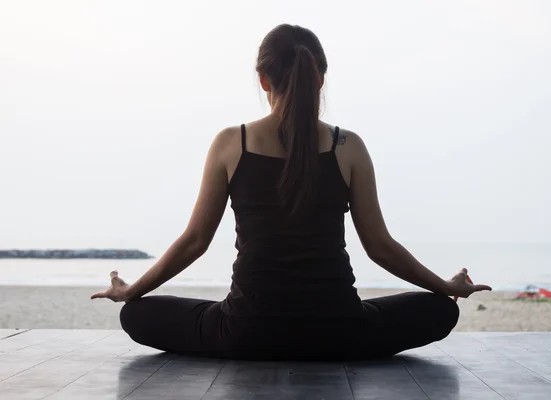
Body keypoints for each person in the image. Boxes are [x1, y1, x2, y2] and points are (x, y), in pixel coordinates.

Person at [91, 24, 491, 361]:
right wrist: (446, 287)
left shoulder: (232, 143)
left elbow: (195, 241)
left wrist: (130, 291)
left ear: (263, 79)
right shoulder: (348, 146)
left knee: (136, 315)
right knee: (440, 311)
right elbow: (380, 247)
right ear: (321, 77)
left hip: (245, 333)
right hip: (339, 333)